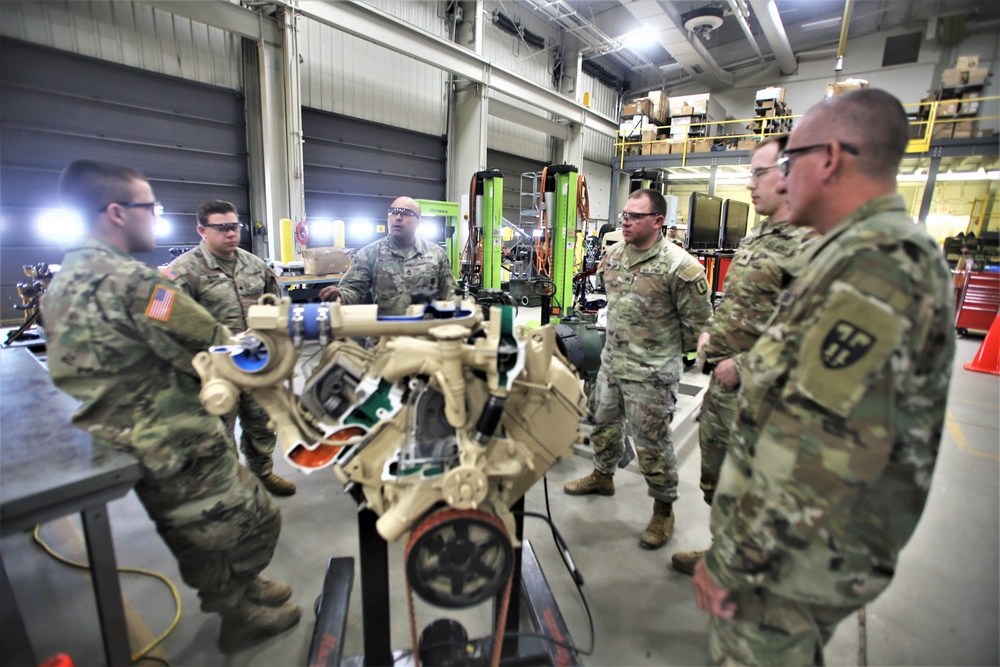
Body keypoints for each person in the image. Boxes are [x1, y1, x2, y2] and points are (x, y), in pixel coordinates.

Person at [692, 89, 956, 665]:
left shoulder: (877, 266)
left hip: (795, 559)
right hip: (793, 546)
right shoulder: (850, 254)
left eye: (789, 163)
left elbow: (820, 452)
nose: (782, 180)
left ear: (830, 158)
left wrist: (734, 559)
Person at [41, 160, 300, 653]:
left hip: (120, 441)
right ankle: (239, 600)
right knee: (258, 519)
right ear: (116, 212)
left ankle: (236, 602)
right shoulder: (139, 286)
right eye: (149, 207)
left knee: (187, 533)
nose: (154, 217)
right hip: (175, 436)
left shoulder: (64, 283)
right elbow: (213, 343)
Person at [670, 135, 816, 575]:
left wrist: (746, 366)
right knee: (718, 484)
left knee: (757, 493)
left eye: (758, 172)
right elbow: (735, 303)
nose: (749, 183)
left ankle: (751, 575)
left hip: (767, 403)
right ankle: (724, 552)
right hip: (723, 392)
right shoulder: (757, 238)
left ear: (789, 173)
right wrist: (710, 334)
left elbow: (810, 337)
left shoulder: (810, 245)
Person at [564, 188, 713, 550]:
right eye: (624, 216)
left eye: (635, 216)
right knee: (602, 422)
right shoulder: (612, 256)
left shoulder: (682, 267)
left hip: (652, 375)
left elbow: (700, 327)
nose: (625, 222)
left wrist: (670, 359)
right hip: (612, 364)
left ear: (658, 221)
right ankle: (603, 475)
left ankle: (663, 509)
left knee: (652, 444)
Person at [168, 200, 296, 496]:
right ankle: (226, 486)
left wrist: (269, 328)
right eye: (222, 228)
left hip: (255, 361)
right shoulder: (183, 271)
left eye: (235, 226)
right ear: (202, 230)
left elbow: (274, 305)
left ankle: (262, 473)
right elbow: (169, 324)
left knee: (262, 423)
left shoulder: (255, 265)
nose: (231, 233)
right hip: (215, 367)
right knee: (217, 429)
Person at [318, 197, 455, 315]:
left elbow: (450, 293)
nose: (398, 217)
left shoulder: (436, 254)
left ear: (419, 221)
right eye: (393, 212)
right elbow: (352, 289)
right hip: (385, 337)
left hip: (426, 336)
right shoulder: (369, 254)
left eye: (406, 213)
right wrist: (338, 297)